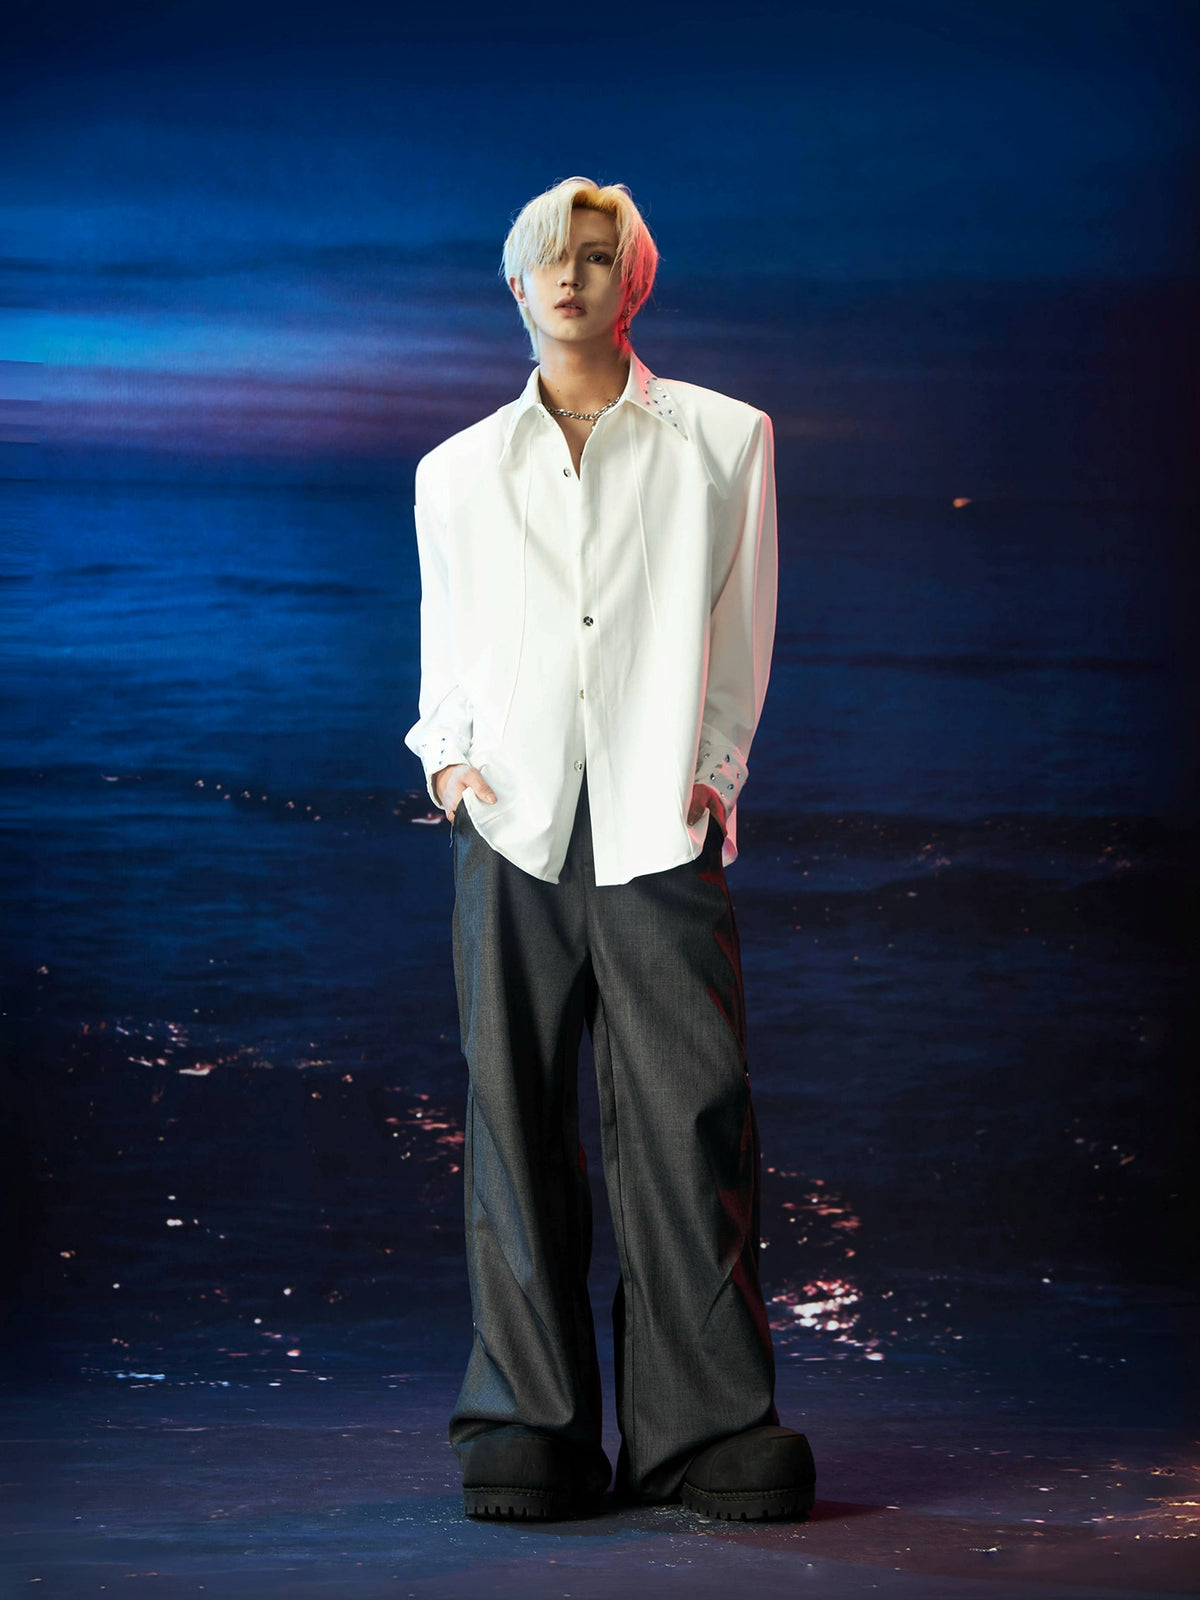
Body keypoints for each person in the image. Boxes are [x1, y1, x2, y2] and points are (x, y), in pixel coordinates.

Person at [404, 176, 815, 1522]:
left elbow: (739, 633)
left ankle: (708, 1430)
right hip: (511, 824)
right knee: (511, 1117)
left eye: (596, 255)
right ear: (518, 282)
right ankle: (530, 1425)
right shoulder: (457, 471)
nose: (571, 277)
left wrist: (712, 773)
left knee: (691, 1117)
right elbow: (450, 648)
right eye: (550, 257)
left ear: (634, 279)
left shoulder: (724, 440)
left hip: (656, 821)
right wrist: (449, 767)